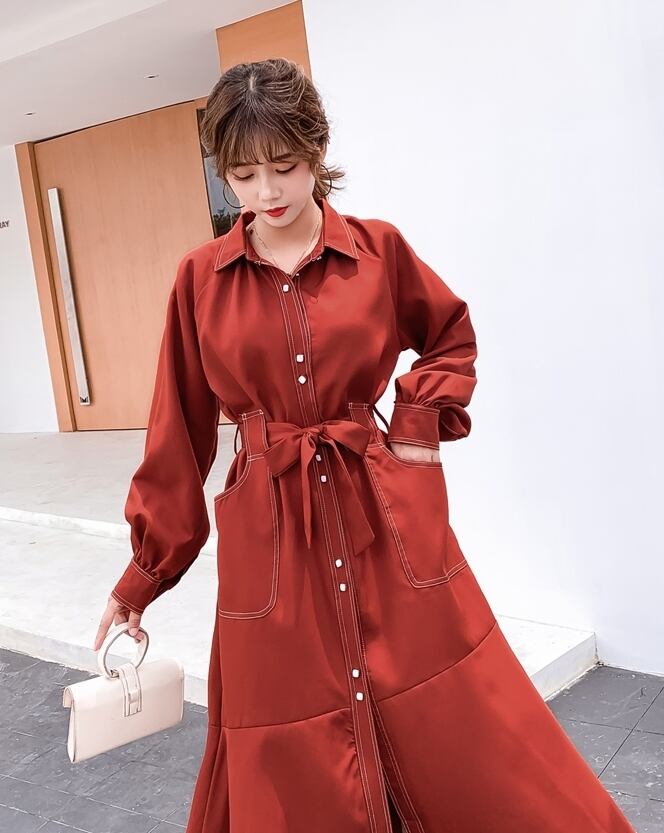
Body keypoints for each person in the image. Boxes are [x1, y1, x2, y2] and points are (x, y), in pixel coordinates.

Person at [95, 58, 636, 833]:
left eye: (284, 166)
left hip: (383, 516)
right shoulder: (200, 280)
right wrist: (142, 577)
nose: (267, 191)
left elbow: (450, 336)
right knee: (294, 746)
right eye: (243, 175)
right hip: (270, 541)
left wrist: (417, 428)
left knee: (456, 715)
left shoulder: (379, 251)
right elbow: (176, 434)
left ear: (316, 151)